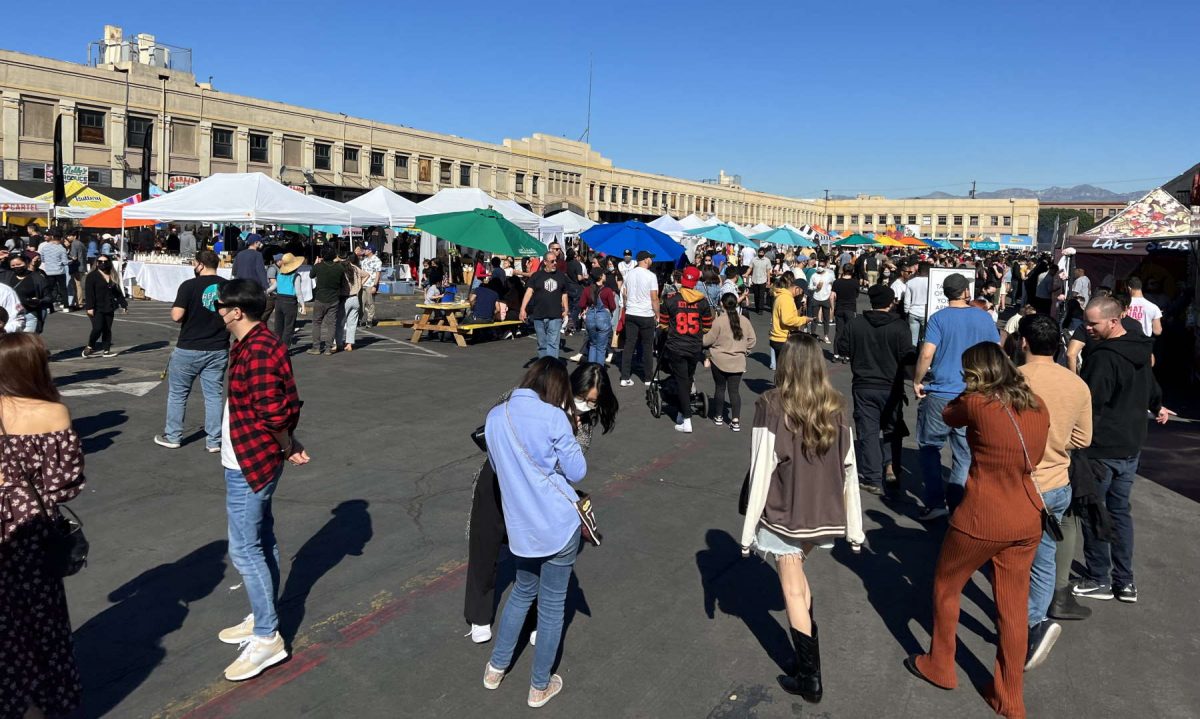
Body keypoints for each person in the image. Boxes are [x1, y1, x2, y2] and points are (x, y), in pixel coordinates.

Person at [905, 341, 1050, 719]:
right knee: (1013, 607)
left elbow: (949, 415)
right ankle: (1010, 696)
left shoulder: (977, 403)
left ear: (975, 374)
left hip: (982, 516)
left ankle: (941, 663)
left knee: (947, 585)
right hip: (1027, 515)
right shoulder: (1037, 405)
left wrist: (968, 390)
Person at [741, 333, 864, 703]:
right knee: (797, 578)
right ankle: (806, 654)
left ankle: (810, 677)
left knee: (791, 584)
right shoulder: (837, 406)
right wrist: (854, 527)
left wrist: (747, 531)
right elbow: (849, 467)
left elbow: (761, 466)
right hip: (826, 511)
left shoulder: (772, 405)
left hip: (786, 509)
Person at [464, 362, 616, 643]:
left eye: (593, 402)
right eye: (582, 397)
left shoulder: (583, 424)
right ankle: (478, 615)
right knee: (485, 544)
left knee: (539, 552)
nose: (586, 405)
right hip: (500, 474)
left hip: (541, 487)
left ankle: (536, 619)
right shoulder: (536, 396)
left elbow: (574, 464)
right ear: (570, 386)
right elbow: (499, 412)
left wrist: (573, 431)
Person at [213, 279, 310, 681]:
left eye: (221, 305)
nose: (218, 310)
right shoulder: (256, 344)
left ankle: (268, 636)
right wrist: (289, 442)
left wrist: (287, 444)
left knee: (244, 549)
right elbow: (278, 405)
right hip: (251, 454)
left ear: (237, 311)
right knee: (261, 540)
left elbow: (274, 411)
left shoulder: (257, 350)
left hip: (250, 461)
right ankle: (261, 615)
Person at [481, 358, 588, 708]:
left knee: (522, 593)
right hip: (557, 522)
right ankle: (539, 685)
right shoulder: (555, 417)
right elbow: (577, 471)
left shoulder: (495, 416)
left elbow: (498, 468)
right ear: (558, 389)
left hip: (521, 527)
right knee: (553, 605)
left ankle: (496, 667)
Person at [0, 333, 88, 718]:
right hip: (33, 525)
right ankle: (43, 698)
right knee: (41, 616)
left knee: (6, 620)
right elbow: (64, 484)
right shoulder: (53, 412)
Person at [1072, 296, 1170, 605]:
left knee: (1094, 513)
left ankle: (1099, 577)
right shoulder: (1140, 349)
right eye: (1086, 322)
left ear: (1114, 322)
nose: (1086, 328)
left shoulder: (1104, 358)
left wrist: (1073, 434)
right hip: (1131, 445)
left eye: (1093, 323)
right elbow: (1151, 386)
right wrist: (1157, 405)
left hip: (1103, 448)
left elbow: (1089, 402)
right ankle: (1125, 582)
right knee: (1119, 512)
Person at [1016, 314, 1092, 670]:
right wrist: (1057, 443)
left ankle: (1022, 624)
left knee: (1008, 556)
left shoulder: (1014, 380)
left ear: (1024, 343)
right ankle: (1035, 622)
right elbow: (1083, 438)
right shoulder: (1076, 384)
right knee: (1044, 557)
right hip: (1057, 480)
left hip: (1019, 481)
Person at [913, 273, 1000, 520]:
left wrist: (918, 380)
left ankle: (935, 501)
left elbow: (927, 353)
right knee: (964, 452)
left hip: (941, 391)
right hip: (972, 392)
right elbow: (996, 351)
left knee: (930, 447)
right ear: (965, 292)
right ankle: (958, 503)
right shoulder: (983, 317)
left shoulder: (938, 318)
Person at [155, 250, 229, 452]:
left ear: (200, 265)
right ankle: (214, 440)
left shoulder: (189, 286)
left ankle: (173, 435)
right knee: (213, 395)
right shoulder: (226, 286)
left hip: (189, 346)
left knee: (178, 394)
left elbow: (176, 316)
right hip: (218, 346)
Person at [845, 285, 914, 496]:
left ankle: (872, 476)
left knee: (868, 430)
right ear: (891, 302)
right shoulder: (900, 326)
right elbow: (908, 355)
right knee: (893, 429)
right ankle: (891, 466)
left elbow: (842, 348)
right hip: (891, 385)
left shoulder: (856, 324)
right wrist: (916, 379)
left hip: (864, 383)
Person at [657, 266, 713, 433]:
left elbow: (664, 324)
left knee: (682, 381)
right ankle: (682, 412)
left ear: (682, 280)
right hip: (694, 346)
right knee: (687, 378)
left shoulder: (670, 298)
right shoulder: (702, 301)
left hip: (676, 345)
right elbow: (707, 326)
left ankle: (686, 419)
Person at [703, 292, 756, 430]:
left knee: (720, 388)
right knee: (734, 391)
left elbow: (707, 340)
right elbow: (752, 340)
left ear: (722, 304)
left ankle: (719, 416)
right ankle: (735, 420)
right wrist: (745, 350)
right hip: (738, 361)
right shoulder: (744, 320)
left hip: (719, 359)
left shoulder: (719, 321)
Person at [618, 251, 660, 387]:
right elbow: (654, 298)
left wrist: (627, 306)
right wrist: (658, 315)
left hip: (631, 312)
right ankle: (648, 378)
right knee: (647, 346)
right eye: (650, 258)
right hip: (646, 314)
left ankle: (624, 377)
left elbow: (624, 293)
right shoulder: (651, 276)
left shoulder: (629, 274)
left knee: (629, 345)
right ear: (646, 260)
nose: (651, 261)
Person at [519, 252, 570, 359]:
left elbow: (564, 293)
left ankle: (551, 369)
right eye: (552, 261)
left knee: (552, 344)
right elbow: (529, 292)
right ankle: (543, 368)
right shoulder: (536, 276)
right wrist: (522, 309)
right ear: (545, 262)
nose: (555, 263)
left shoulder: (561, 276)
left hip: (555, 315)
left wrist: (566, 309)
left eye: (556, 261)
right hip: (539, 315)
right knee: (542, 345)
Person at [82, 254, 127, 358]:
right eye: (100, 261)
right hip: (96, 307)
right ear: (97, 263)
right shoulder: (92, 276)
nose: (102, 264)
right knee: (97, 328)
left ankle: (106, 351)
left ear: (109, 263)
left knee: (107, 329)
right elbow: (89, 293)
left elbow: (117, 292)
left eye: (105, 262)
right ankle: (90, 346)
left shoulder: (112, 276)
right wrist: (90, 307)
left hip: (109, 306)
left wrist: (124, 304)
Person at [308, 245, 343, 355]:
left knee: (317, 323)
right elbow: (341, 283)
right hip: (333, 298)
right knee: (331, 324)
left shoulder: (319, 266)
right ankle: (328, 348)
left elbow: (311, 275)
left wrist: (316, 263)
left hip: (320, 297)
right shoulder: (339, 267)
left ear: (322, 255)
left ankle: (316, 347)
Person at [579, 267, 617, 365]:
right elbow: (613, 306)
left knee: (592, 345)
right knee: (601, 348)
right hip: (603, 318)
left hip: (590, 317)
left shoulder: (587, 290)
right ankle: (599, 371)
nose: (605, 276)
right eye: (603, 274)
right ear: (600, 276)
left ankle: (590, 369)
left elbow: (582, 304)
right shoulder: (607, 290)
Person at [4, 253, 50, 333]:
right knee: (12, 342)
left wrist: (39, 301)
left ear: (26, 263)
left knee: (27, 342)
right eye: (13, 265)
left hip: (29, 314)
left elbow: (49, 297)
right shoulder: (7, 277)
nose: (16, 267)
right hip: (10, 316)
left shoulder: (38, 278)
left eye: (19, 264)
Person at [769, 274, 807, 369]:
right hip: (783, 339)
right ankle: (782, 383)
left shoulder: (782, 296)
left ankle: (779, 383)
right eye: (801, 292)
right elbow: (787, 320)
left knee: (782, 369)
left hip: (779, 337)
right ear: (797, 288)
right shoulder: (786, 299)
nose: (801, 295)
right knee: (787, 370)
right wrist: (804, 319)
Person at [271, 253, 304, 350]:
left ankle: (276, 347)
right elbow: (298, 292)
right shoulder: (296, 276)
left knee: (278, 326)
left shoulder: (280, 274)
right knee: (288, 327)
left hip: (279, 300)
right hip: (290, 302)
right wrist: (303, 305)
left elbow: (274, 286)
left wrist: (267, 291)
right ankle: (284, 349)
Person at [339, 254, 370, 352]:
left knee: (340, 322)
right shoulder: (356, 268)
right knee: (352, 324)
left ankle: (339, 342)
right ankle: (349, 344)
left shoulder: (342, 268)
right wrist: (359, 285)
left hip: (345, 298)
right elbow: (367, 275)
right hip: (355, 298)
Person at [831, 263, 859, 363]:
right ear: (852, 271)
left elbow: (832, 296)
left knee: (839, 332)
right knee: (849, 332)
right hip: (850, 309)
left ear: (843, 270)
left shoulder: (837, 282)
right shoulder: (855, 282)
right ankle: (847, 356)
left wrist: (833, 308)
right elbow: (856, 295)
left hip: (839, 308)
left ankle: (836, 354)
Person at [37, 231, 69, 312]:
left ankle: (49, 307)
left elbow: (43, 259)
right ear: (61, 238)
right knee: (63, 289)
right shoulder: (62, 249)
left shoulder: (45, 247)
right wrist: (71, 260)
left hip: (49, 271)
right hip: (60, 271)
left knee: (49, 290)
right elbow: (65, 262)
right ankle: (66, 306)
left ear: (52, 237)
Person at [807, 259, 835, 344]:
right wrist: (816, 288)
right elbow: (809, 287)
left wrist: (832, 292)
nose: (820, 267)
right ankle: (813, 335)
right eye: (819, 265)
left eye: (822, 266)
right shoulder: (814, 275)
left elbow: (834, 283)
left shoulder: (829, 275)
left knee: (826, 319)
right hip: (816, 298)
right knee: (814, 318)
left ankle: (826, 336)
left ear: (825, 266)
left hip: (826, 298)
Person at [904, 262, 930, 345]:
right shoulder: (932, 282)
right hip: (927, 313)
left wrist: (906, 311)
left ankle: (912, 355)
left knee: (913, 339)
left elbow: (907, 300)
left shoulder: (910, 282)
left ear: (918, 270)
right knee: (925, 339)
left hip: (913, 312)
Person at [359, 243, 383, 327]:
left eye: (366, 249)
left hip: (371, 284)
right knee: (361, 303)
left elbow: (378, 274)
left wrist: (375, 286)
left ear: (370, 250)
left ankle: (370, 320)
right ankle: (360, 319)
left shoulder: (377, 260)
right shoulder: (364, 260)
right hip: (363, 284)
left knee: (370, 303)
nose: (364, 250)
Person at [67, 230, 86, 309]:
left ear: (75, 236)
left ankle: (79, 303)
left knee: (77, 285)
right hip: (82, 266)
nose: (68, 237)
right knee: (79, 285)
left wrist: (68, 254)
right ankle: (79, 302)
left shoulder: (74, 244)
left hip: (76, 266)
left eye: (70, 235)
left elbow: (74, 257)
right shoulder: (81, 243)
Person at [749, 247, 772, 314]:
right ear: (758, 252)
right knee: (756, 295)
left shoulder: (767, 260)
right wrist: (747, 274)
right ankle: (757, 307)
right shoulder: (754, 259)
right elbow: (750, 268)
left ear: (764, 253)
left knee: (761, 295)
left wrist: (768, 281)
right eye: (760, 252)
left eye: (762, 252)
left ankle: (760, 309)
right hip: (755, 279)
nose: (761, 253)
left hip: (763, 280)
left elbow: (768, 271)